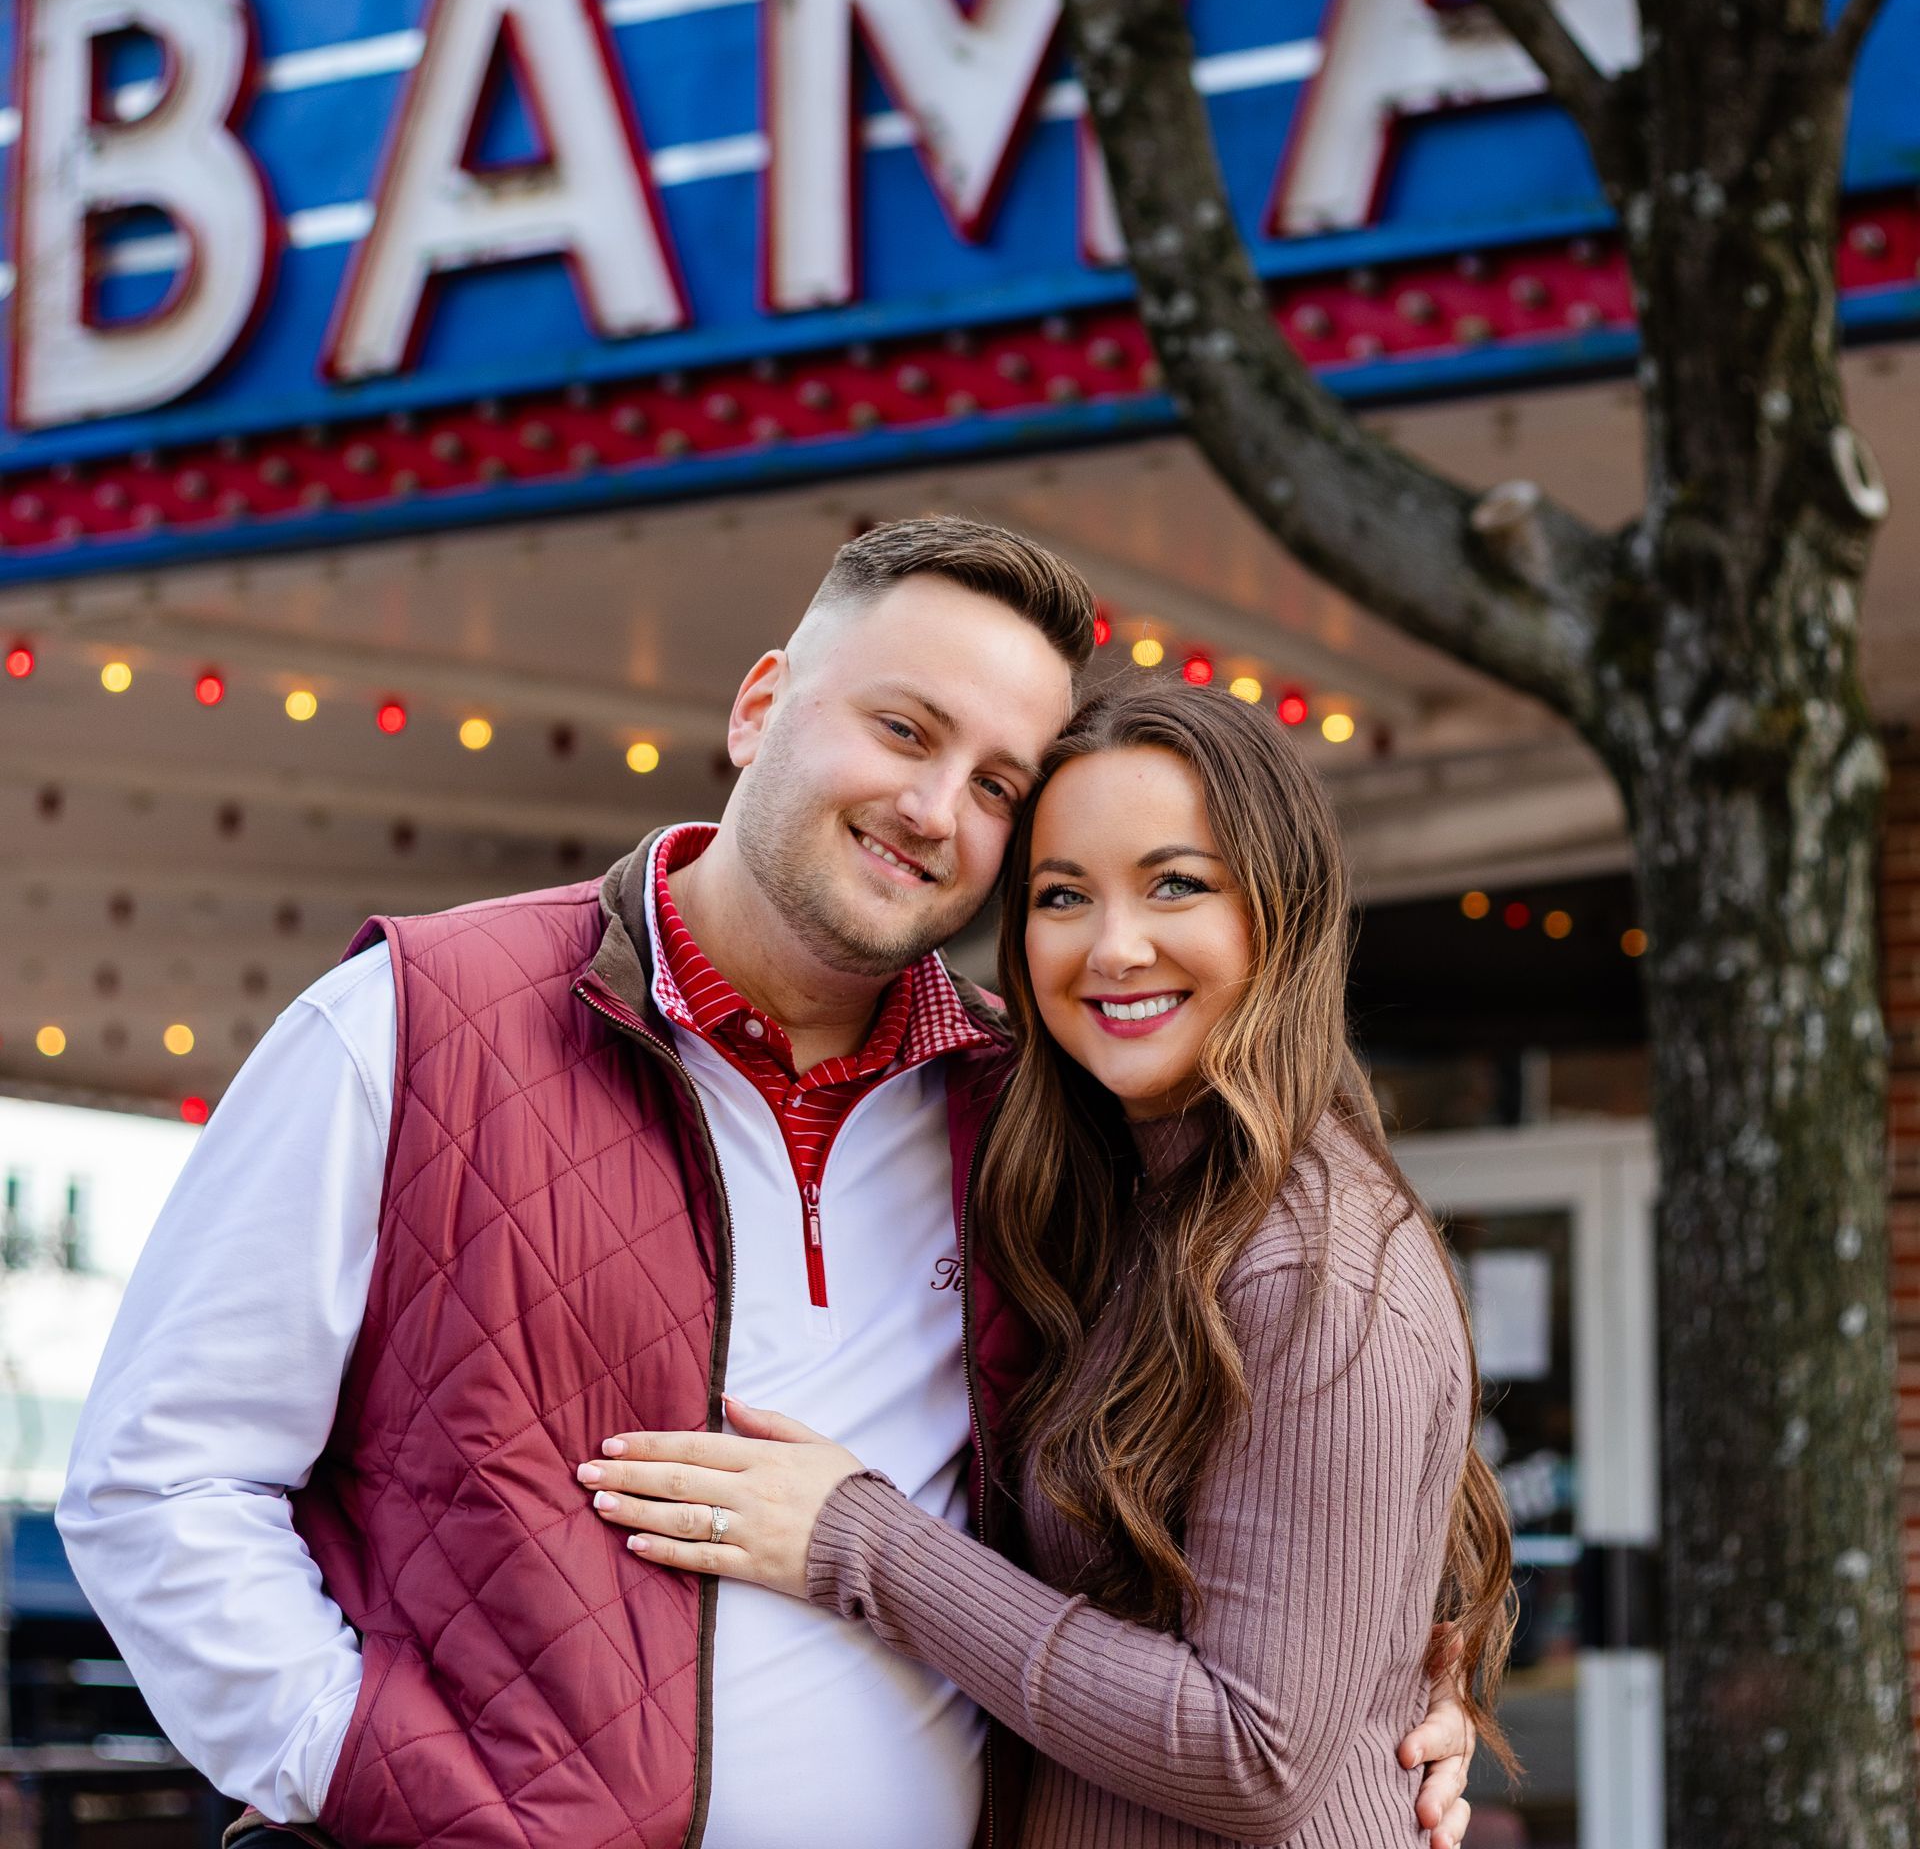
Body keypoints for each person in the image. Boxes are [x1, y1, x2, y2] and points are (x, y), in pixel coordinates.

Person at [59, 518, 1478, 1849]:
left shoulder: (1031, 1112)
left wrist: (1406, 1681)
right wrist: (364, 1768)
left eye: (996, 788)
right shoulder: (410, 1023)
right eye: (902, 729)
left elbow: (1295, 1455)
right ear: (761, 709)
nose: (933, 808)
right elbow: (158, 1480)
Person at [576, 678, 1515, 1847]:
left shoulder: (1311, 1266)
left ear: (1283, 910)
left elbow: (1256, 1756)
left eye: (1177, 883)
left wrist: (857, 1540)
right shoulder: (1122, 1193)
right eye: (1063, 895)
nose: (1116, 949)